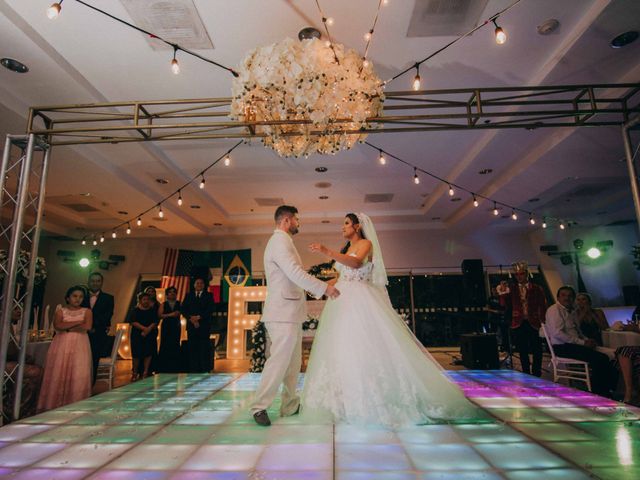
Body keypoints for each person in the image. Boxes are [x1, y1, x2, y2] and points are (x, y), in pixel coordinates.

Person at [301, 213, 478, 428]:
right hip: (342, 300)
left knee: (367, 346)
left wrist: (327, 251)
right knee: (344, 348)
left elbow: (356, 264)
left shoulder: (366, 244)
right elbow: (341, 277)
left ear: (357, 226)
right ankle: (343, 400)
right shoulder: (346, 249)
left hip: (360, 301)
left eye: (346, 223)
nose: (342, 227)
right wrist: (314, 285)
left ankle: (376, 397)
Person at [250, 205, 339, 427]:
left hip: (289, 313)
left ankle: (290, 405)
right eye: (297, 220)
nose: (299, 223)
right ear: (287, 220)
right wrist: (324, 288)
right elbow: (294, 272)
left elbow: (293, 275)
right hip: (281, 313)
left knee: (293, 363)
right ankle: (259, 407)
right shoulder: (279, 242)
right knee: (279, 361)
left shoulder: (284, 242)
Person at [545, 286, 617, 396]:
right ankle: (600, 392)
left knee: (613, 354)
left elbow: (578, 331)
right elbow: (557, 334)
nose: (567, 298)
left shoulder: (572, 311)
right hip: (562, 347)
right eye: (563, 295)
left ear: (573, 298)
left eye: (570, 296)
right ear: (558, 297)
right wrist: (583, 343)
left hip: (574, 344)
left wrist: (587, 340)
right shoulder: (554, 310)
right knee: (600, 358)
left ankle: (609, 388)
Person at [37, 286, 93, 412]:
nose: (77, 299)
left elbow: (87, 326)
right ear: (68, 298)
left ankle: (75, 402)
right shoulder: (61, 311)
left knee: (78, 369)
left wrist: (67, 327)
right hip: (61, 343)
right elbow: (58, 325)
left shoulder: (87, 311)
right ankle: (55, 402)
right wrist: (77, 323)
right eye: (74, 296)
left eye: (80, 297)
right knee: (59, 368)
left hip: (80, 343)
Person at [504, 262, 547, 377]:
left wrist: (543, 321)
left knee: (536, 348)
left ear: (527, 274)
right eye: (517, 275)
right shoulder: (511, 289)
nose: (519, 276)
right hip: (518, 321)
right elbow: (505, 304)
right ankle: (526, 371)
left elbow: (542, 305)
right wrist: (503, 294)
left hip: (534, 321)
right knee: (522, 348)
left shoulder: (537, 288)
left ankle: (537, 371)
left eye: (521, 274)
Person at [82, 272, 114, 384]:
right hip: (81, 333)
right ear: (88, 282)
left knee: (94, 359)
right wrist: (86, 328)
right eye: (93, 280)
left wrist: (92, 327)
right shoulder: (81, 296)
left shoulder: (109, 298)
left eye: (98, 281)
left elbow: (107, 316)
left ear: (101, 283)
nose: (95, 283)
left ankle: (90, 384)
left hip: (98, 334)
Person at [181, 278, 215, 373]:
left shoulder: (209, 295)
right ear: (194, 285)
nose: (199, 284)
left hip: (204, 326)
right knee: (192, 348)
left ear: (204, 285)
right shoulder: (189, 295)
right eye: (197, 283)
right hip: (191, 326)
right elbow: (183, 309)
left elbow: (211, 309)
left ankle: (204, 369)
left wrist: (199, 317)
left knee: (204, 348)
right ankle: (193, 369)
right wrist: (191, 318)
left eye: (201, 283)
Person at [127, 292, 159, 380]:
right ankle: (135, 372)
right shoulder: (135, 310)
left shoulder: (152, 310)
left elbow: (155, 321)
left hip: (150, 334)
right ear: (140, 301)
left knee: (148, 353)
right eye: (144, 299)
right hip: (137, 335)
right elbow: (133, 321)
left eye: (148, 299)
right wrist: (144, 329)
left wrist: (148, 329)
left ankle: (145, 371)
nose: (146, 301)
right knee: (136, 354)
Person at [157, 286, 182, 373]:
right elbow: (160, 315)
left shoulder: (179, 303)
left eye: (174, 292)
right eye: (170, 292)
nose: (172, 293)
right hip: (166, 327)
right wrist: (170, 315)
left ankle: (175, 367)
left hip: (176, 326)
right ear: (167, 294)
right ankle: (163, 367)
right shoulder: (163, 304)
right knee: (165, 344)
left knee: (175, 344)